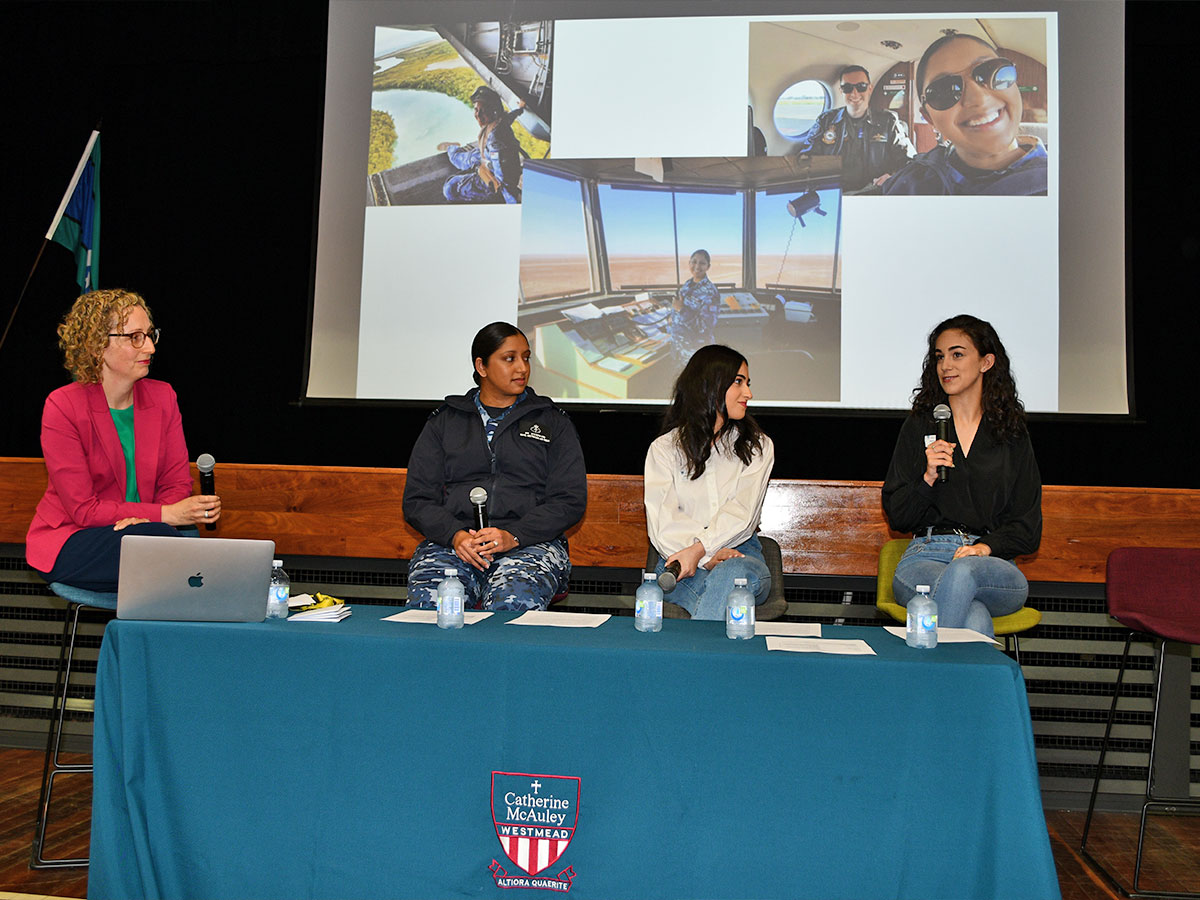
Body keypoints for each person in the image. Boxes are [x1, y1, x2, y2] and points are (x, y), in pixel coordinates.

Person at [26, 289, 221, 592]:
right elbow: (84, 510)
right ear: (97, 346)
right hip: (74, 537)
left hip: (148, 535)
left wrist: (146, 521)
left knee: (165, 544)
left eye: (150, 334)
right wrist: (161, 516)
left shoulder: (163, 397)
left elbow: (176, 484)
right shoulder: (62, 405)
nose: (151, 347)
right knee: (168, 548)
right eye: (136, 337)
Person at [402, 322, 586, 611]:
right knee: (431, 608)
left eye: (526, 358)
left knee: (510, 605)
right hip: (455, 546)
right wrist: (455, 535)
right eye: (509, 358)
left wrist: (513, 535)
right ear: (482, 366)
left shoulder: (553, 422)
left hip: (529, 545)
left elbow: (569, 501)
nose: (522, 368)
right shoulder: (445, 421)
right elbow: (417, 500)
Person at [882, 314, 1041, 637]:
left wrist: (984, 548)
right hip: (926, 555)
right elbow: (898, 515)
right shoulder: (920, 426)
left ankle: (930, 682)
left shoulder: (1010, 434)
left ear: (986, 361)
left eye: (957, 354)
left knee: (966, 573)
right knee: (973, 613)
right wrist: (926, 479)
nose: (945, 366)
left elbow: (1027, 527)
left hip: (990, 562)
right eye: (939, 357)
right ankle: (965, 686)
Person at [644, 345, 775, 620]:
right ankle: (710, 658)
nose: (748, 393)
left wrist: (702, 549)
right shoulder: (664, 449)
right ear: (710, 385)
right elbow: (662, 522)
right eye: (739, 382)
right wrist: (702, 559)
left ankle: (695, 658)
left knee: (731, 575)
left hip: (741, 557)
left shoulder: (758, 446)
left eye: (747, 384)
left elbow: (743, 513)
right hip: (679, 561)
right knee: (723, 593)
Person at [883, 34, 1048, 196]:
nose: (978, 99)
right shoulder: (909, 185)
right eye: (944, 90)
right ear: (929, 118)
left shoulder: (1064, 179)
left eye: (990, 72)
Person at [793, 64, 915, 191]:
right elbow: (806, 159)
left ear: (870, 88)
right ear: (841, 91)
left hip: (874, 191)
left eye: (861, 87)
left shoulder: (888, 121)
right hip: (836, 192)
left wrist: (892, 176)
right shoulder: (825, 121)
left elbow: (908, 161)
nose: (854, 93)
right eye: (847, 88)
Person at [440, 86, 523, 204]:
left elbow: (505, 184)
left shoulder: (495, 141)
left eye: (483, 111)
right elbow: (509, 117)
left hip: (490, 174)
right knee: (459, 158)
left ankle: (452, 149)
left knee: (449, 188)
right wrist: (520, 109)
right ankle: (452, 148)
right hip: (485, 156)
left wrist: (513, 206)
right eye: (476, 110)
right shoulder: (499, 121)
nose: (478, 115)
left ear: (493, 112)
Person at [670, 249, 722, 369]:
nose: (697, 266)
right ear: (689, 263)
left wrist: (681, 310)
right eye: (694, 262)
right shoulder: (687, 285)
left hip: (695, 354)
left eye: (702, 263)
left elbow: (705, 327)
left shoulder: (710, 292)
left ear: (708, 266)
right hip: (679, 349)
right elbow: (679, 308)